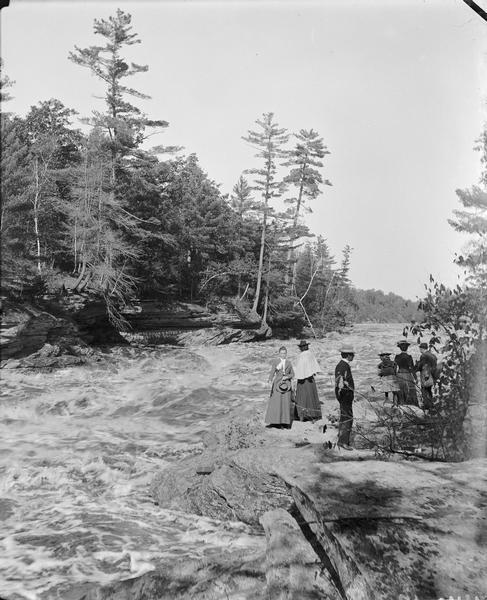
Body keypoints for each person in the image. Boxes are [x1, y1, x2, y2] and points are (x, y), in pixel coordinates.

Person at [265, 346, 294, 428]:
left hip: (286, 385)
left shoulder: (289, 362)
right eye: (281, 353)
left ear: (286, 353)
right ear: (279, 353)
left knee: (285, 403)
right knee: (276, 403)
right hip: (277, 383)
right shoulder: (275, 361)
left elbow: (293, 374)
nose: (283, 355)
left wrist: (287, 377)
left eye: (284, 353)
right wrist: (270, 379)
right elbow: (272, 371)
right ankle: (275, 422)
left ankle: (285, 423)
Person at [293, 340, 322, 422]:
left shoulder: (300, 356)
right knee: (311, 395)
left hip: (302, 380)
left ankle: (301, 416)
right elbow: (314, 366)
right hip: (309, 379)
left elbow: (299, 368)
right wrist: (312, 372)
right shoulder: (310, 354)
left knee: (301, 396)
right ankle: (314, 415)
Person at [335, 346, 355, 450]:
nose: (354, 356)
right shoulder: (343, 366)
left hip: (344, 396)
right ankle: (343, 442)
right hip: (345, 396)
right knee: (348, 418)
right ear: (348, 355)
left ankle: (341, 440)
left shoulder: (342, 365)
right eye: (352, 355)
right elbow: (340, 383)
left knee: (344, 417)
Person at [394, 340, 418, 406]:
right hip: (407, 375)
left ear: (400, 348)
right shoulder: (409, 357)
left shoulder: (397, 357)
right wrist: (416, 378)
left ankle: (401, 403)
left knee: (400, 389)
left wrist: (394, 377)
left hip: (399, 375)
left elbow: (395, 368)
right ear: (407, 348)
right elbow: (412, 368)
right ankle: (411, 404)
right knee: (410, 390)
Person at [415, 342, 438, 410]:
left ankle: (426, 406)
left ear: (422, 348)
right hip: (432, 375)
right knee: (429, 390)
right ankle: (431, 405)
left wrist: (415, 368)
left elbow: (421, 366)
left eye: (420, 348)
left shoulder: (423, 355)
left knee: (424, 390)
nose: (419, 350)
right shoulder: (433, 355)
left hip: (425, 374)